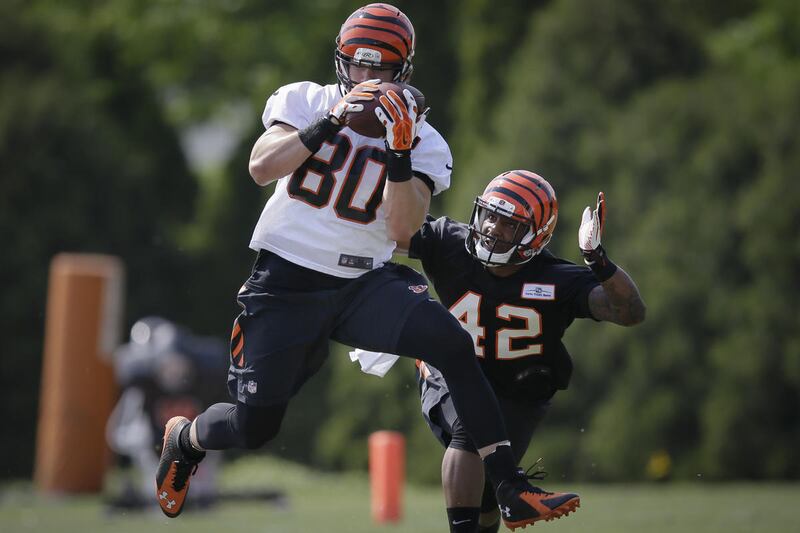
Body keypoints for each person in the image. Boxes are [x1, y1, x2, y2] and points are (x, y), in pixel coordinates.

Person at [154, 4, 572, 529]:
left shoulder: (424, 140)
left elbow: (401, 231)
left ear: (404, 73)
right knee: (253, 425)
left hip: (362, 283)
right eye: (359, 66)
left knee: (451, 343)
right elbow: (262, 167)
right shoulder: (308, 100)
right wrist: (331, 121)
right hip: (287, 281)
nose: (369, 80)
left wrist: (398, 150)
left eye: (382, 70)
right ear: (341, 64)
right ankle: (184, 439)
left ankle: (510, 488)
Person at [397, 170, 647, 532]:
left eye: (509, 223)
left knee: (486, 498)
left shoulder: (557, 278)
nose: (493, 228)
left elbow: (631, 312)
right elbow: (387, 231)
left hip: (518, 393)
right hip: (450, 376)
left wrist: (599, 261)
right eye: (490, 215)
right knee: (469, 431)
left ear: (535, 234)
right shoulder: (448, 243)